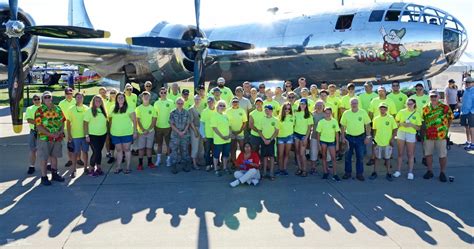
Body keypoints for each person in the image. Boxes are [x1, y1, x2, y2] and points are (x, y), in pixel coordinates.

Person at [34, 91, 66, 185]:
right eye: (45, 97)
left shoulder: (57, 108)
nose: (47, 99)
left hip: (57, 138)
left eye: (49, 97)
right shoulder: (39, 110)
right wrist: (50, 134)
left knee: (54, 156)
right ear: (43, 99)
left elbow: (62, 121)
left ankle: (54, 174)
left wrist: (60, 132)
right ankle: (44, 177)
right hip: (44, 138)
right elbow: (38, 126)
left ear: (52, 98)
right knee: (44, 158)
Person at [422, 90, 453, 182]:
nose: (433, 98)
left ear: (439, 97)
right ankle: (429, 171)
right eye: (432, 96)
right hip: (428, 136)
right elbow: (423, 121)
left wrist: (445, 128)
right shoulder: (425, 108)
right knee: (428, 154)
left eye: (435, 96)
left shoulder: (445, 107)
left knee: (442, 155)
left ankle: (442, 172)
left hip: (441, 135)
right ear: (429, 97)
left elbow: (450, 118)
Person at [340, 98, 371, 181]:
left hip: (360, 138)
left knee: (360, 157)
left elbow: (367, 125)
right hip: (349, 137)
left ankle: (359, 174)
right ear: (350, 104)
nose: (354, 105)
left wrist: (368, 136)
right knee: (347, 157)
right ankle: (347, 172)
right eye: (352, 103)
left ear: (358, 104)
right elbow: (343, 126)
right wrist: (342, 137)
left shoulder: (363, 112)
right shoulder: (346, 113)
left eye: (355, 103)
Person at [367, 86, 397, 166]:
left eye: (382, 91)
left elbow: (393, 114)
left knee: (389, 143)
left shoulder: (390, 101)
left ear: (385, 92)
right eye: (379, 91)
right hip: (376, 125)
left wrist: (392, 125)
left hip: (387, 125)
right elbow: (370, 113)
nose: (381, 92)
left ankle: (388, 160)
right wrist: (370, 123)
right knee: (374, 142)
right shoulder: (374, 100)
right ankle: (373, 158)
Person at [109, 92, 138, 174]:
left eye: (122, 97)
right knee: (118, 150)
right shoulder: (112, 107)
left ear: (124, 99)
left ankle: (128, 167)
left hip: (127, 133)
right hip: (115, 133)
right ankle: (118, 167)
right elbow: (110, 120)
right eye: (118, 98)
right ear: (116, 99)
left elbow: (134, 120)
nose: (120, 99)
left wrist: (135, 131)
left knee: (127, 150)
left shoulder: (130, 108)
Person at [394, 98, 422, 180]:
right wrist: (401, 124)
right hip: (401, 133)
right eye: (407, 104)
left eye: (411, 104)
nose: (409, 105)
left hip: (411, 134)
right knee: (400, 153)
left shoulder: (417, 114)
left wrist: (411, 125)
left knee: (410, 154)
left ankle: (410, 172)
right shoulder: (401, 112)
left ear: (414, 104)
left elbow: (418, 128)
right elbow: (395, 122)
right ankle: (398, 171)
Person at [370, 103, 398, 181]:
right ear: (379, 109)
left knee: (388, 159)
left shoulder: (390, 118)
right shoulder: (376, 119)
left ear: (386, 110)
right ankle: (374, 172)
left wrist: (392, 139)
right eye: (381, 109)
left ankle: (388, 173)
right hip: (378, 142)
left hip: (387, 142)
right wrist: (374, 140)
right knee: (376, 158)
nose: (382, 110)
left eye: (384, 109)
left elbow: (395, 129)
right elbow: (374, 130)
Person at [67, 92, 90, 178]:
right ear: (75, 98)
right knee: (75, 153)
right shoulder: (71, 109)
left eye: (80, 97)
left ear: (83, 98)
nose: (79, 99)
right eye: (77, 97)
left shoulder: (87, 109)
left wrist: (88, 134)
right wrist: (69, 134)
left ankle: (85, 168)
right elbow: (68, 123)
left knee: (85, 151)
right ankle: (73, 170)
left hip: (85, 135)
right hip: (75, 135)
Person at [84, 95, 108, 177]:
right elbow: (85, 124)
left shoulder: (103, 111)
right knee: (96, 151)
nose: (98, 102)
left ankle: (99, 168)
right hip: (93, 135)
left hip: (103, 135)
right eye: (96, 101)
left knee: (98, 151)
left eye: (99, 101)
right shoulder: (89, 111)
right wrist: (86, 135)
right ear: (93, 102)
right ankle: (90, 169)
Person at [316, 107, 340, 181]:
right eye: (326, 113)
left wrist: (337, 144)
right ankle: (325, 172)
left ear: (331, 113)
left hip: (331, 142)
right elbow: (318, 134)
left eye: (329, 113)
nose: (328, 114)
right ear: (324, 113)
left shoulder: (334, 121)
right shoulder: (321, 122)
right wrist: (318, 144)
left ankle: (335, 174)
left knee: (333, 158)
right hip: (323, 141)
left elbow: (337, 133)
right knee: (324, 157)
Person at [58, 87, 81, 168]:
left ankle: (78, 159)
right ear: (65, 94)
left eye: (70, 93)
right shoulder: (61, 103)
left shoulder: (76, 101)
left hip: (77, 126)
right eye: (67, 93)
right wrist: (61, 129)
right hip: (65, 127)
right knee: (69, 144)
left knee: (78, 144)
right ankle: (70, 160)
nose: (69, 95)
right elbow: (60, 116)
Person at [135, 91, 157, 170]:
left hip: (150, 132)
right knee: (141, 148)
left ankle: (149, 162)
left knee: (149, 148)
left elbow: (154, 120)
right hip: (141, 132)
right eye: (144, 96)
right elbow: (138, 120)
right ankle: (140, 164)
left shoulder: (153, 108)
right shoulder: (138, 108)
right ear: (141, 98)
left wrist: (148, 129)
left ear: (150, 97)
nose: (146, 97)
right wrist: (143, 129)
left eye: (147, 96)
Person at [169, 97, 192, 174]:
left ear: (183, 104)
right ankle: (174, 166)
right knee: (174, 151)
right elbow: (171, 124)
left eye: (181, 103)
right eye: (178, 103)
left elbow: (188, 123)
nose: (180, 105)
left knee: (185, 150)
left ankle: (185, 165)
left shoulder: (187, 112)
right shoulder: (172, 113)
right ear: (176, 104)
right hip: (175, 135)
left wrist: (184, 131)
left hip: (185, 135)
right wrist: (179, 132)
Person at [154, 87, 174, 167]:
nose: (163, 94)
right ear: (159, 93)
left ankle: (168, 160)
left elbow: (172, 115)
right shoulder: (156, 103)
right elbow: (155, 115)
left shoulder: (171, 102)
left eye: (164, 92)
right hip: (158, 126)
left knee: (168, 144)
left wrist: (172, 125)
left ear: (167, 93)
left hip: (168, 127)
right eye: (161, 93)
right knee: (159, 144)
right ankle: (158, 160)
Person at [211, 100, 232, 176]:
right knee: (216, 154)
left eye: (223, 106)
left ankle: (225, 167)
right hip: (219, 140)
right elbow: (214, 128)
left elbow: (229, 126)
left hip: (227, 139)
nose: (222, 107)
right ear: (217, 106)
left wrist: (229, 134)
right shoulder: (214, 115)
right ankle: (216, 169)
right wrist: (222, 136)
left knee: (225, 154)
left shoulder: (226, 115)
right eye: (220, 105)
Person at [294, 98, 314, 177]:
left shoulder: (309, 114)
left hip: (303, 136)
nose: (302, 105)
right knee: (297, 153)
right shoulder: (296, 113)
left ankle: (304, 170)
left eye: (304, 104)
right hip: (296, 134)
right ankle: (300, 169)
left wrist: (306, 137)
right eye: (301, 104)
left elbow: (309, 127)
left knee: (302, 153)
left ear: (306, 105)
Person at [259, 105, 279, 180]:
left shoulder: (275, 120)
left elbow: (276, 131)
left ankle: (271, 173)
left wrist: (270, 140)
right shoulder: (262, 119)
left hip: (271, 140)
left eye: (268, 110)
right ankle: (264, 173)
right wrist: (264, 139)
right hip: (263, 140)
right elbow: (259, 131)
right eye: (266, 110)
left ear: (271, 111)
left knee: (271, 157)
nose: (267, 111)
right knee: (264, 156)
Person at [227, 97, 247, 165]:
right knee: (233, 148)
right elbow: (226, 122)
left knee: (242, 148)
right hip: (231, 133)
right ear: (232, 103)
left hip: (240, 133)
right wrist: (231, 131)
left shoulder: (242, 110)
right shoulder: (228, 111)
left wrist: (240, 130)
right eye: (234, 102)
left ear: (238, 103)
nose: (235, 103)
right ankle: (234, 162)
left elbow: (244, 122)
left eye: (236, 102)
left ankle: (243, 162)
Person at [25, 94, 42, 174]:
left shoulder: (44, 108)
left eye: (38, 99)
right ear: (33, 101)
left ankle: (48, 165)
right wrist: (40, 122)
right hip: (33, 131)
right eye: (35, 99)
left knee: (45, 150)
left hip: (43, 131)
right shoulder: (29, 108)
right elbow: (29, 120)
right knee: (33, 150)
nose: (37, 100)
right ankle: (32, 166)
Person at [276, 102, 294, 176]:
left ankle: (284, 169)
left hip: (289, 137)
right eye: (286, 108)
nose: (287, 110)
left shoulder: (292, 117)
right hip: (280, 138)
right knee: (280, 155)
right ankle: (280, 169)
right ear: (283, 109)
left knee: (286, 154)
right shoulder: (278, 118)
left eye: (289, 109)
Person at [189, 95, 204, 169]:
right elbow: (190, 122)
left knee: (201, 146)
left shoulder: (202, 108)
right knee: (195, 146)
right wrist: (195, 131)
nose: (197, 100)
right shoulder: (191, 109)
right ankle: (194, 164)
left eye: (199, 99)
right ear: (194, 100)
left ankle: (198, 161)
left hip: (202, 128)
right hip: (194, 128)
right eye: (196, 99)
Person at [200, 97, 216, 171]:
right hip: (207, 135)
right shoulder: (204, 111)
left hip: (216, 136)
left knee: (215, 151)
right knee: (207, 151)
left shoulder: (217, 110)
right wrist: (203, 135)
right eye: (209, 102)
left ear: (214, 102)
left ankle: (214, 164)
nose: (210, 103)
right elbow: (202, 125)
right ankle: (208, 165)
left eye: (212, 101)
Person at [310, 100, 325, 174]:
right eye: (317, 105)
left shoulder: (326, 115)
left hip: (325, 137)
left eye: (320, 105)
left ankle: (325, 168)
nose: (319, 107)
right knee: (313, 152)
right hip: (314, 136)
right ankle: (313, 167)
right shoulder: (312, 114)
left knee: (325, 153)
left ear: (323, 106)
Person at [460, 77, 474, 150]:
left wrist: (471, 111)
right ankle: (468, 141)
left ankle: (472, 143)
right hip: (464, 112)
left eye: (469, 82)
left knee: (471, 128)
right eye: (466, 82)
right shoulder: (465, 90)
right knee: (466, 127)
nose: (467, 84)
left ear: (473, 83)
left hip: (471, 113)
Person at [105, 89, 117, 164]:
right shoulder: (107, 103)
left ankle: (122, 156)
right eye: (111, 93)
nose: (112, 94)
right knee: (110, 140)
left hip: (118, 123)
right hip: (109, 122)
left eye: (114, 93)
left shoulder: (118, 102)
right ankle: (111, 155)